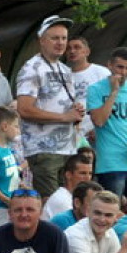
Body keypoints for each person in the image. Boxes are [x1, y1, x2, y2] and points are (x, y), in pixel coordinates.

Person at [15, 15, 84, 199]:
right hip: (44, 150)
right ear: (41, 40)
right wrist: (64, 117)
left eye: (64, 38)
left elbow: (62, 107)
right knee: (51, 205)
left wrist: (75, 112)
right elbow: (24, 109)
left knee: (68, 203)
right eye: (54, 38)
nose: (61, 43)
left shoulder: (65, 69)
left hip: (67, 148)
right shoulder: (32, 68)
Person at [86, 46, 127, 203]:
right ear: (110, 65)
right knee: (111, 209)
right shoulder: (95, 89)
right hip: (110, 163)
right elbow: (99, 121)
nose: (124, 72)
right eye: (120, 67)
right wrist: (114, 92)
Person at [41, 152, 94, 220]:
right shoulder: (62, 200)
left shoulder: (70, 197)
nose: (87, 178)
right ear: (68, 175)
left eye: (90, 173)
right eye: (82, 173)